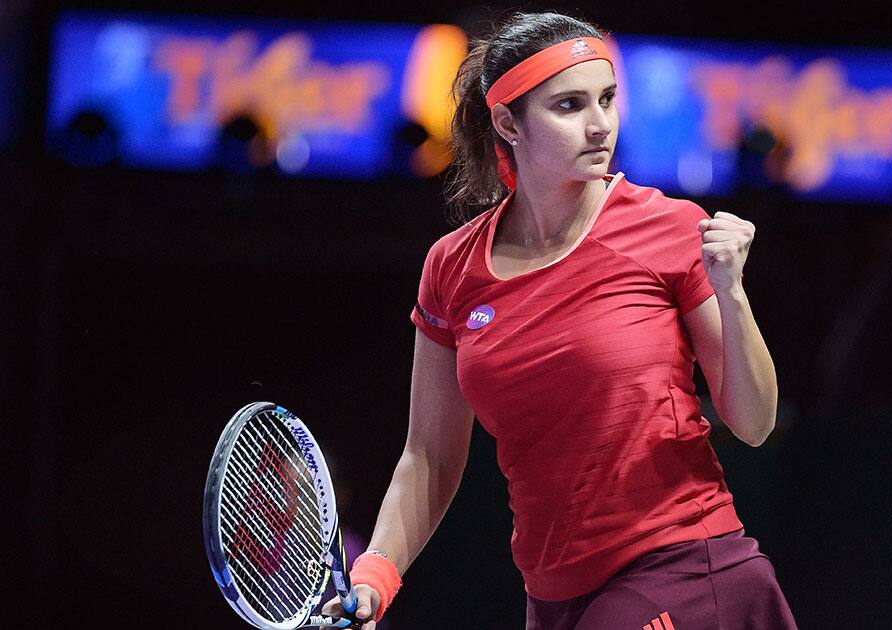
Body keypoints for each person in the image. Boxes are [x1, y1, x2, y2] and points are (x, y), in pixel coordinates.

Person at [323, 11, 797, 629]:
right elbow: (431, 456)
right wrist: (377, 574)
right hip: (553, 600)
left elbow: (755, 423)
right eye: (570, 105)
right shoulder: (452, 268)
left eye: (607, 99)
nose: (600, 124)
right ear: (506, 123)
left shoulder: (670, 228)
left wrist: (732, 295)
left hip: (681, 568)